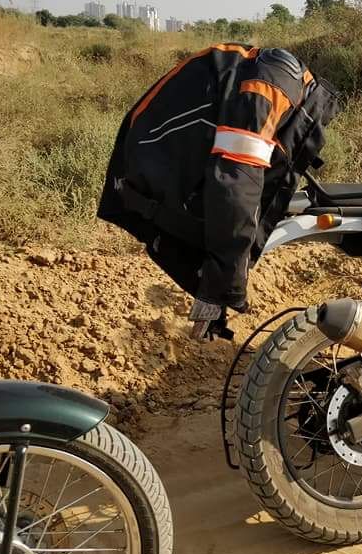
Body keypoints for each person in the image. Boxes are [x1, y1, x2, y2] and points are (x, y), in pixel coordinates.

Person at [98, 43, 339, 338]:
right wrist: (222, 286)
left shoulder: (267, 72)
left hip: (147, 171)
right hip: (154, 176)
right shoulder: (272, 84)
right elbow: (239, 180)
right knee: (226, 223)